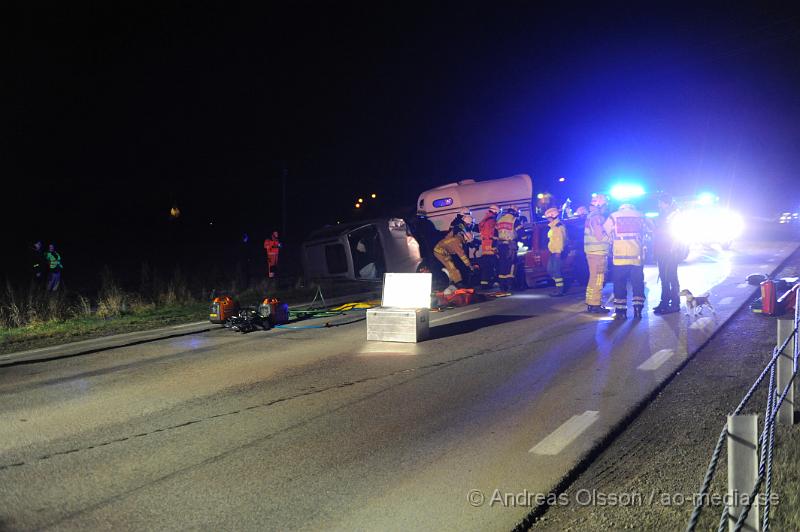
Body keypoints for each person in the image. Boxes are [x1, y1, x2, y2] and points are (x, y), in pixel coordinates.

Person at [603, 203, 649, 319]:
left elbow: (606, 232)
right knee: (637, 283)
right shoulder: (640, 216)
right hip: (636, 257)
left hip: (619, 258)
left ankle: (621, 311)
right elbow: (649, 231)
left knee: (619, 283)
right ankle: (638, 310)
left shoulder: (613, 216)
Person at [652, 193, 685, 314]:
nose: (659, 204)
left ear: (666, 203)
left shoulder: (675, 215)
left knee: (671, 278)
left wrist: (674, 247)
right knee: (664, 278)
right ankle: (664, 302)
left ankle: (675, 304)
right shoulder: (664, 214)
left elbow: (677, 233)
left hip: (670, 250)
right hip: (662, 250)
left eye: (660, 202)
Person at [583, 194, 611, 313]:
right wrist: (611, 238)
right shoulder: (597, 218)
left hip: (592, 252)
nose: (606, 208)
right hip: (598, 253)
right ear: (600, 205)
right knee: (598, 279)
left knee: (593, 278)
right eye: (605, 206)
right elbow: (600, 236)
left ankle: (591, 302)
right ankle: (595, 304)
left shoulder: (590, 216)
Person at [495, 205, 523, 291]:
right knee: (512, 264)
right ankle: (511, 284)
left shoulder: (500, 220)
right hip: (510, 246)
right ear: (514, 212)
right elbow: (521, 233)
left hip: (500, 245)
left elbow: (496, 233)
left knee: (502, 265)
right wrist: (525, 241)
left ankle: (503, 286)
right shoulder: (515, 220)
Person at [544, 207, 567, 297]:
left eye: (548, 217)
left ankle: (559, 290)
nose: (547, 219)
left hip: (557, 252)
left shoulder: (557, 226)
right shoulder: (554, 226)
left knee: (556, 271)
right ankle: (560, 287)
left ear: (552, 216)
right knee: (550, 270)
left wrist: (558, 252)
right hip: (553, 252)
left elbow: (560, 240)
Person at [478, 205, 499, 289]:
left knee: (486, 267)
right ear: (496, 212)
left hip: (484, 248)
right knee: (493, 266)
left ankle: (484, 284)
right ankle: (492, 283)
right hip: (491, 247)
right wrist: (495, 246)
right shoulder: (492, 221)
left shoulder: (485, 219)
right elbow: (494, 234)